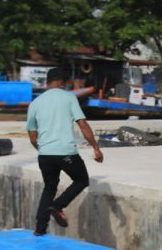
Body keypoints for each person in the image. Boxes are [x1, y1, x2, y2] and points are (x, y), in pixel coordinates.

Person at [26, 68, 104, 236]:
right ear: (62, 82)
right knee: (81, 180)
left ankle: (40, 229)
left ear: (47, 82)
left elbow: (32, 137)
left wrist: (44, 150)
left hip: (44, 155)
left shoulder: (35, 103)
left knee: (49, 187)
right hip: (66, 152)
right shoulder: (69, 98)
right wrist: (96, 148)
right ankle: (58, 205)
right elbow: (82, 124)